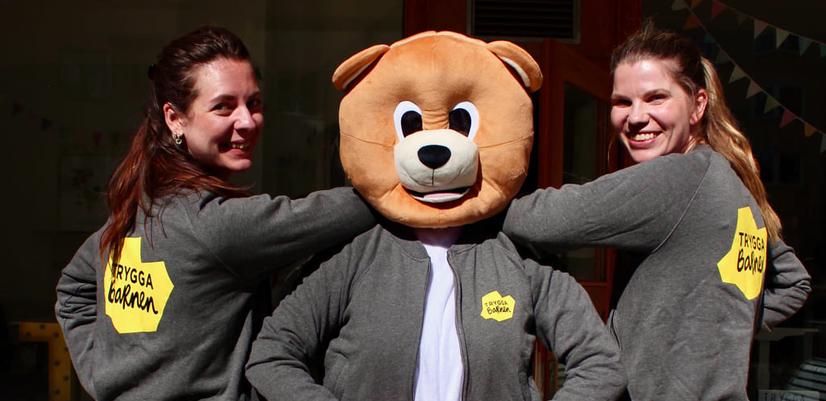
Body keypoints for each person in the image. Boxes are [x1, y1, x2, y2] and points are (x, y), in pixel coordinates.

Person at [54, 26, 375, 401]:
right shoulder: (213, 225)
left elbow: (72, 288)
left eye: (253, 103)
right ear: (175, 118)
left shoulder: (143, 207)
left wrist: (104, 375)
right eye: (223, 106)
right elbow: (357, 208)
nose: (247, 121)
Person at [503, 25, 811, 400]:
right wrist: (710, 330)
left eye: (656, 98)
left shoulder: (677, 177)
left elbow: (543, 219)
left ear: (698, 105)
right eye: (622, 102)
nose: (636, 117)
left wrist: (464, 202)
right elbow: (794, 282)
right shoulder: (731, 184)